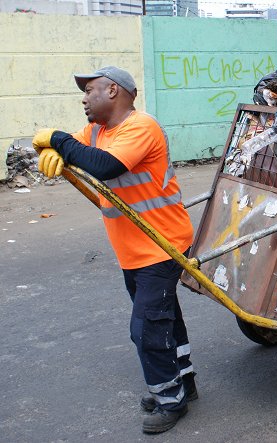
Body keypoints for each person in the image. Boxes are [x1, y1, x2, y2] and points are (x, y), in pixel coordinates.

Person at [32, 66, 197, 433]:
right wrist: (50, 148)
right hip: (133, 249)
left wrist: (58, 140)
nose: (84, 98)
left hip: (161, 244)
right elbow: (68, 148)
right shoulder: (96, 131)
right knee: (163, 316)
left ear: (113, 92)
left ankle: (171, 400)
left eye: (90, 90)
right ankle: (183, 382)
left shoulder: (141, 126)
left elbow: (104, 166)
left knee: (147, 327)